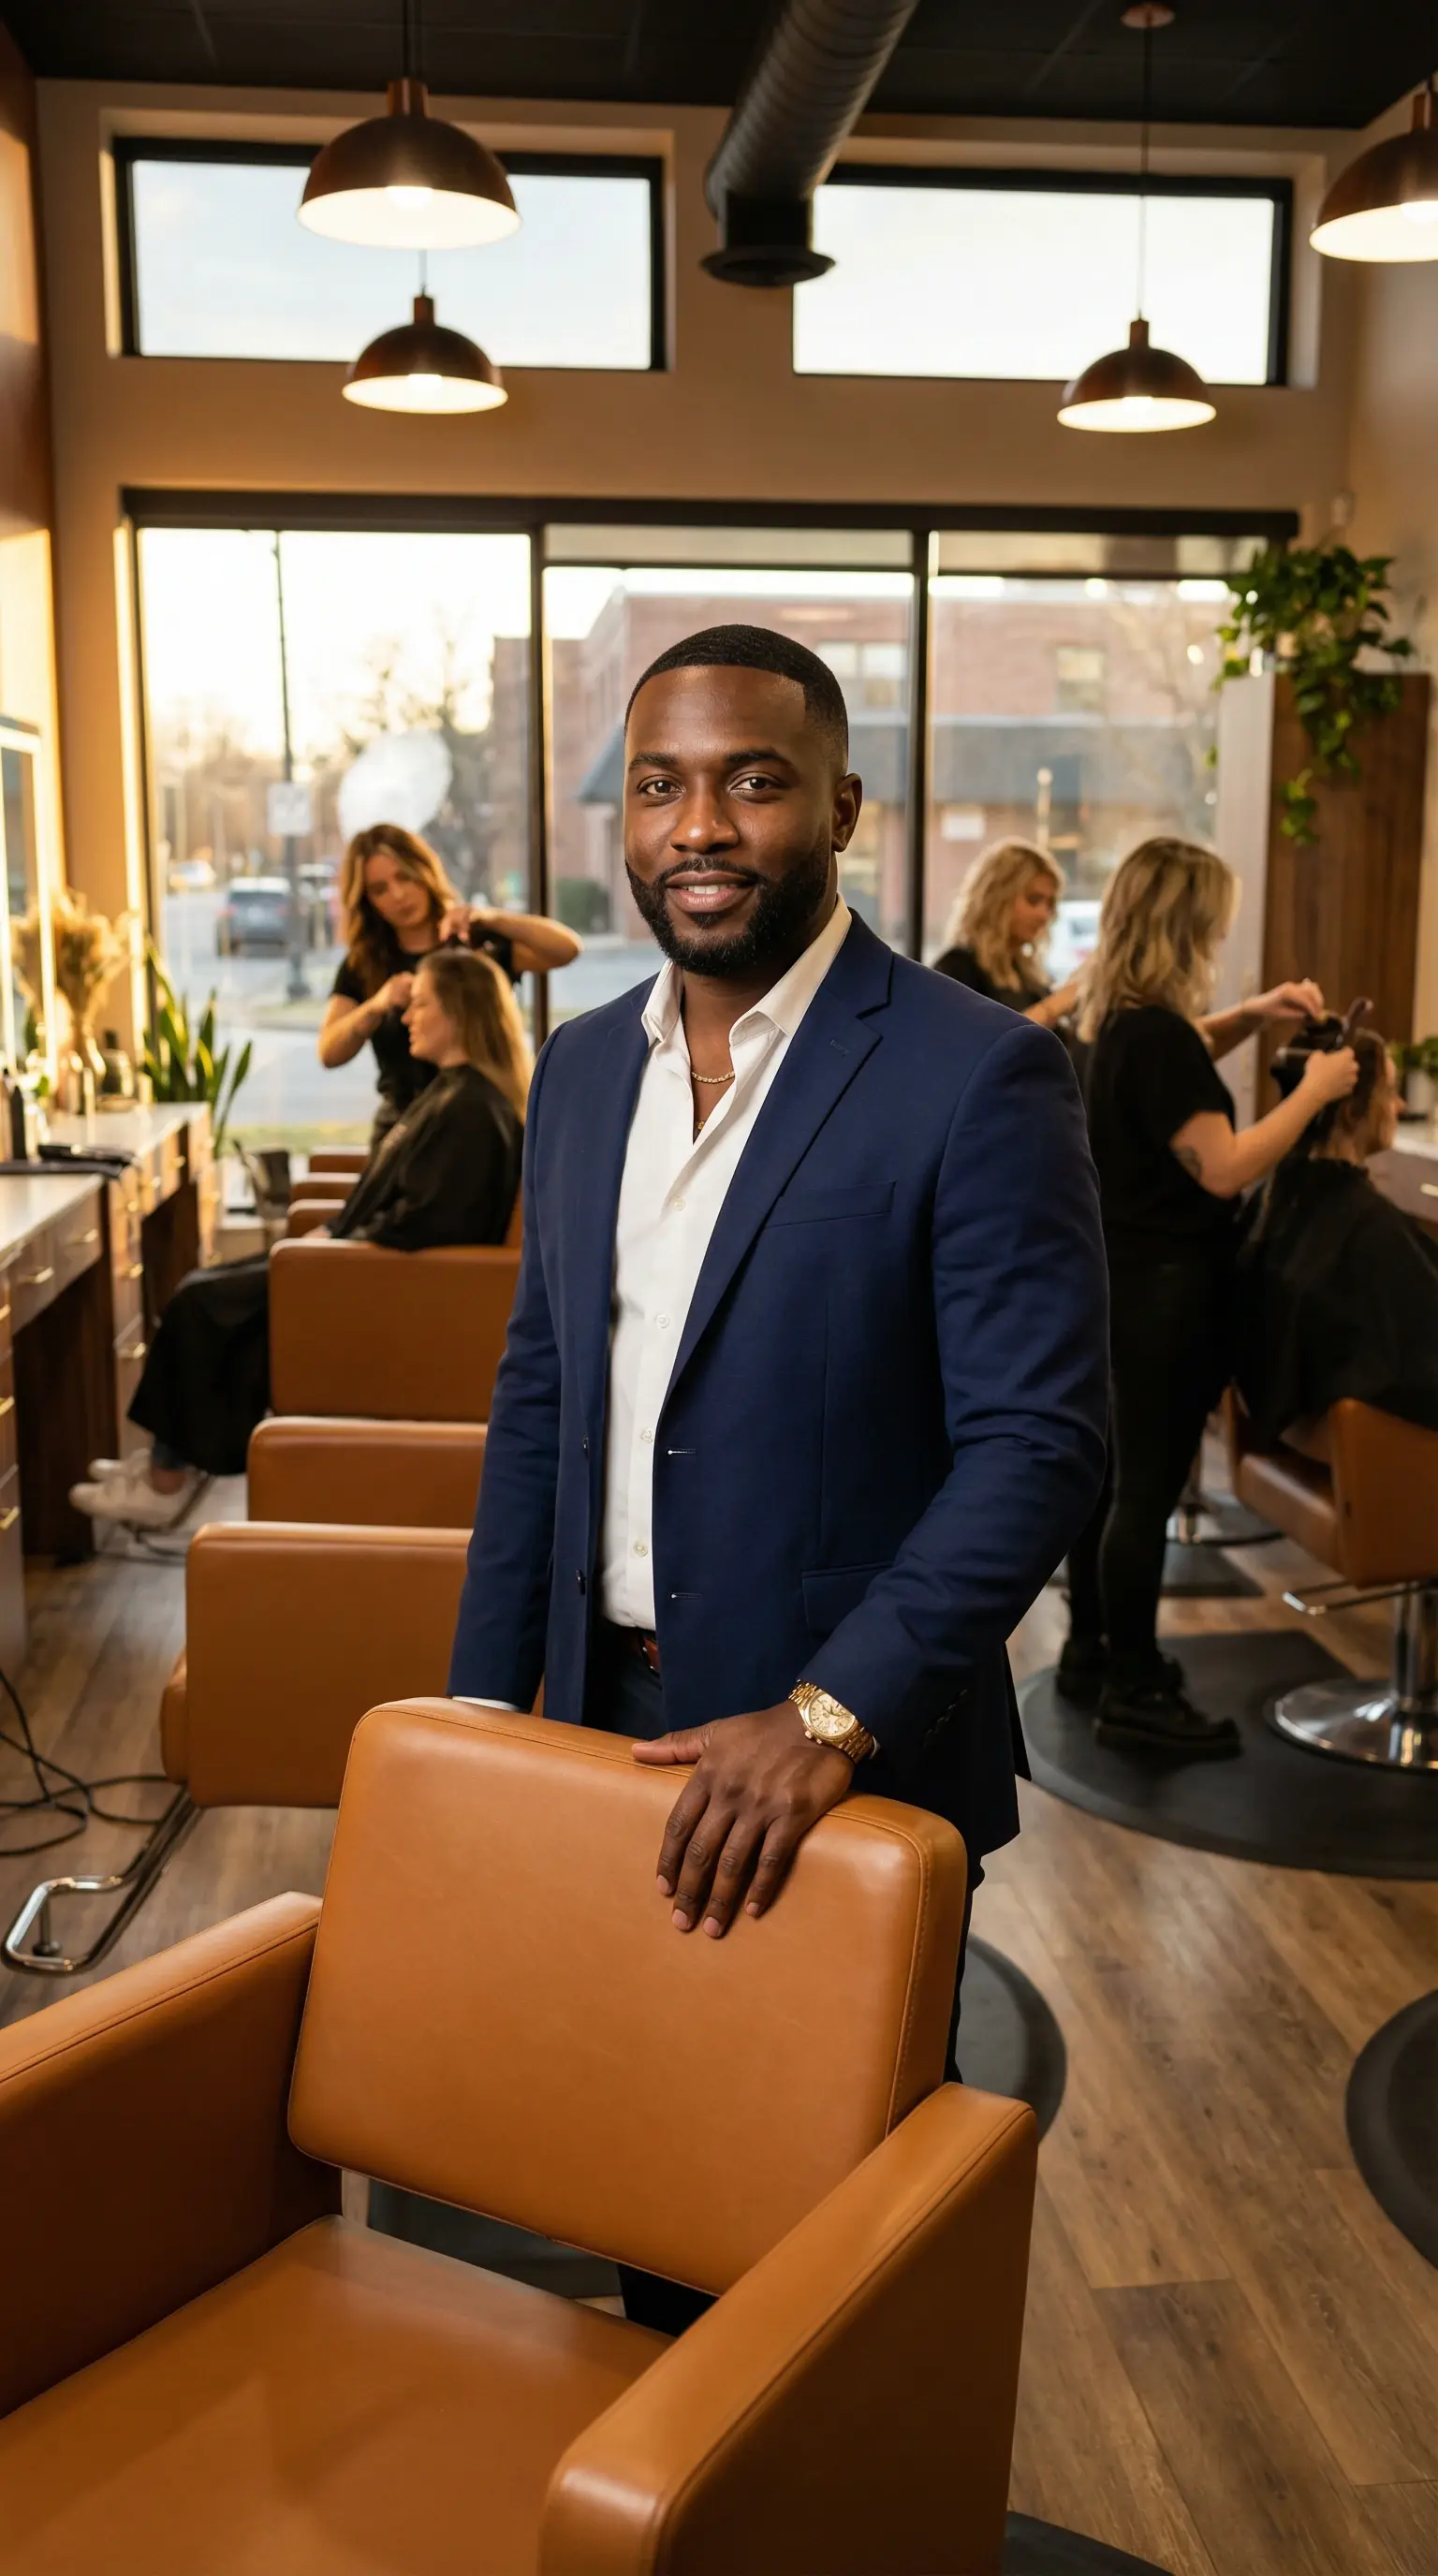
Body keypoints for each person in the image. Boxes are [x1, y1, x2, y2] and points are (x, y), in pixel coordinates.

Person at [447, 622, 1108, 2334]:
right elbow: (545, 1399)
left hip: (840, 1767)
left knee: (827, 2261)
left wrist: (827, 1718)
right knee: (651, 2201)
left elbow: (1042, 1445)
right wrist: (474, 1720)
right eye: (660, 783)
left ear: (843, 808)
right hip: (602, 1735)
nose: (700, 825)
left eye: (753, 780)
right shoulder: (586, 1065)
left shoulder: (979, 1072)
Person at [1058, 837, 1358, 1754]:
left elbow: (1183, 1057)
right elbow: (1223, 1168)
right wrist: (1316, 1091)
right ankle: (1138, 1690)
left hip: (1115, 1280)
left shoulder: (1118, 1020)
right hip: (1166, 1297)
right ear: (1190, 924)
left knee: (1109, 1482)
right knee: (1144, 1489)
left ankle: (1093, 1655)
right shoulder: (1155, 1037)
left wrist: (1257, 1014)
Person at [72, 949, 529, 1530]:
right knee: (204, 1283)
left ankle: (166, 1481)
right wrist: (335, 1233)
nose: (407, 1017)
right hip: (355, 1261)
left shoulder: (470, 1107)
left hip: (378, 1284)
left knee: (199, 1304)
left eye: (420, 1005)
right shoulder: (453, 1092)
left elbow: (435, 1222)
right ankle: (168, 1462)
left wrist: (339, 1243)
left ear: (459, 1014)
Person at [1236, 1026, 1438, 1445]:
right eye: (1391, 1092)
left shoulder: (1270, 1200)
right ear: (1351, 1112)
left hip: (1289, 1432)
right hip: (1374, 1445)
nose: (1399, 1106)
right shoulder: (1367, 1227)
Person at [319, 821, 579, 1142]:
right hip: (406, 1131)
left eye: (404, 876)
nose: (398, 895)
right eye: (380, 889)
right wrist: (377, 1005)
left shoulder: (473, 942)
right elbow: (329, 1052)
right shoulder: (366, 964)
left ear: (424, 871)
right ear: (366, 900)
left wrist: (488, 917)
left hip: (485, 1125)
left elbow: (566, 948)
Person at [931, 837, 1080, 1029]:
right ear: (998, 898)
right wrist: (1052, 1008)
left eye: (1049, 904)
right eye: (1033, 900)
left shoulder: (1029, 975)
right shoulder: (957, 969)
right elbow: (979, 1048)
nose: (1044, 914)